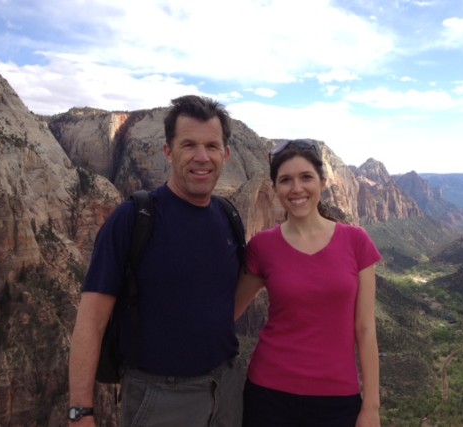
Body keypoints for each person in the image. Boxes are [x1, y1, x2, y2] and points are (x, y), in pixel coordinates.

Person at [68, 95, 244, 426]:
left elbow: (224, 301)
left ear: (226, 154)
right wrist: (80, 412)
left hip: (227, 388)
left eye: (212, 146)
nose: (202, 157)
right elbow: (91, 321)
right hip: (160, 396)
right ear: (168, 151)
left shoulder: (229, 216)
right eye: (189, 144)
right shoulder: (132, 218)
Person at [235, 139, 382, 427]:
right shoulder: (262, 246)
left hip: (338, 399)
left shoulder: (356, 241)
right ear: (275, 189)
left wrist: (371, 407)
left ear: (323, 182)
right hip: (268, 394)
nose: (296, 188)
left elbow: (365, 329)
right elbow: (229, 312)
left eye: (306, 177)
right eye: (286, 180)